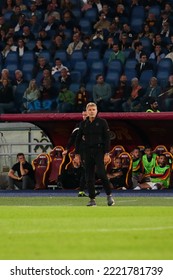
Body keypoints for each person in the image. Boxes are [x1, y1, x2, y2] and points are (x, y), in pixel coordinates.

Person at [75, 102, 115, 206]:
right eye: (90, 110)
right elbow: (78, 140)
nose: (92, 112)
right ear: (86, 112)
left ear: (97, 111)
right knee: (89, 176)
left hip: (99, 151)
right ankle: (92, 199)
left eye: (93, 109)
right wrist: (77, 155)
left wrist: (107, 153)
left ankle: (109, 195)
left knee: (101, 173)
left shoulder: (102, 122)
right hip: (87, 152)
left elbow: (107, 139)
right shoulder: (83, 124)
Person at [62, 111, 89, 197]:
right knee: (86, 170)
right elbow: (73, 138)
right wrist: (67, 148)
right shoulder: (79, 125)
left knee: (90, 170)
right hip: (83, 151)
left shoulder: (96, 124)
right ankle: (82, 190)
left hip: (93, 151)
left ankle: (85, 189)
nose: (84, 116)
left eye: (86, 115)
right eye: (83, 115)